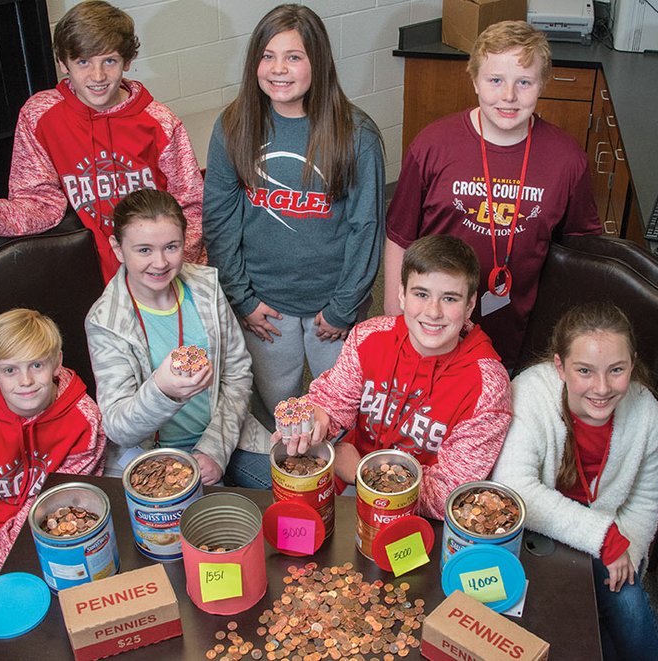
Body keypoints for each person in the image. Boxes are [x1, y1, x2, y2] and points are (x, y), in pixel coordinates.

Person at [202, 3, 385, 429]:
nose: (278, 69)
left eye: (294, 56)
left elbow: (367, 226)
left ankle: (334, 487)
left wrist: (344, 306)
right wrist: (242, 299)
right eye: (268, 56)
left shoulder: (356, 133)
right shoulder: (234, 125)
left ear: (317, 62)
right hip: (266, 308)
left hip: (333, 310)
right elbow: (220, 219)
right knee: (274, 410)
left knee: (338, 414)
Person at [384, 20, 601, 371]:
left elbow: (580, 253)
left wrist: (568, 334)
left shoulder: (567, 159)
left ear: (542, 84)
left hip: (521, 332)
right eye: (495, 80)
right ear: (474, 81)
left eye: (524, 82)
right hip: (432, 324)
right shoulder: (432, 145)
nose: (509, 96)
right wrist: (395, 319)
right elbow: (400, 236)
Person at [0, 0, 205, 283]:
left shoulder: (160, 121)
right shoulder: (40, 115)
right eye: (83, 61)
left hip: (163, 275)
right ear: (62, 63)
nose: (97, 76)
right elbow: (38, 203)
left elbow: (192, 206)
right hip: (91, 280)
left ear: (127, 61)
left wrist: (173, 274)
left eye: (109, 61)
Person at [278, 235, 512, 520]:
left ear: (470, 304)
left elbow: (450, 494)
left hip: (418, 516)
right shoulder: (369, 336)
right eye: (421, 294)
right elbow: (333, 401)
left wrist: (361, 472)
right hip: (345, 485)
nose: (433, 312)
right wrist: (317, 418)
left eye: (449, 298)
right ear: (401, 294)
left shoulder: (488, 384)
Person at [492, 302, 658, 660]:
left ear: (632, 363)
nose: (601, 387)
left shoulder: (649, 415)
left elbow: (645, 501)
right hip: (537, 531)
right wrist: (604, 538)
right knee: (556, 622)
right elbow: (514, 488)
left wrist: (628, 555)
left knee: (630, 607)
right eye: (584, 370)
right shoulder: (529, 392)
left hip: (612, 538)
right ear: (560, 366)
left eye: (616, 370)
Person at [0, 309, 106, 660]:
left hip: (53, 533)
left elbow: (67, 501)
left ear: (57, 362)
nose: (26, 381)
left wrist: (6, 560)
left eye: (37, 365)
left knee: (53, 630)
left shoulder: (84, 418)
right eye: (10, 369)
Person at [85, 188, 271, 486]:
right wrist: (162, 389)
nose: (160, 263)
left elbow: (237, 374)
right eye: (144, 250)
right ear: (118, 249)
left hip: (225, 435)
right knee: (200, 528)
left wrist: (214, 450)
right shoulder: (105, 321)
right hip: (150, 454)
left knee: (295, 498)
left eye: (171, 247)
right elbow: (119, 428)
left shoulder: (206, 288)